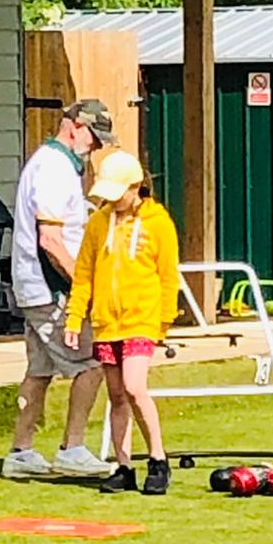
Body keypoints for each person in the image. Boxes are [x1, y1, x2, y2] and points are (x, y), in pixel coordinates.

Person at [2, 99, 117, 480]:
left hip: (35, 286)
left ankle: (21, 452)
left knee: (40, 369)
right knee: (92, 362)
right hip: (51, 289)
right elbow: (50, 240)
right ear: (73, 126)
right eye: (92, 137)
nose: (95, 146)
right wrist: (83, 286)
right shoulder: (53, 167)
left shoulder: (53, 164)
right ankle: (73, 447)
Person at [63, 150, 180, 495]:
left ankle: (158, 458)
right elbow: (84, 274)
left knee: (134, 386)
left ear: (136, 187)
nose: (112, 201)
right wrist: (74, 317)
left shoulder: (159, 223)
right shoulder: (98, 223)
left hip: (141, 319)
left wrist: (163, 322)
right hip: (105, 322)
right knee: (116, 395)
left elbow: (167, 277)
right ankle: (123, 465)